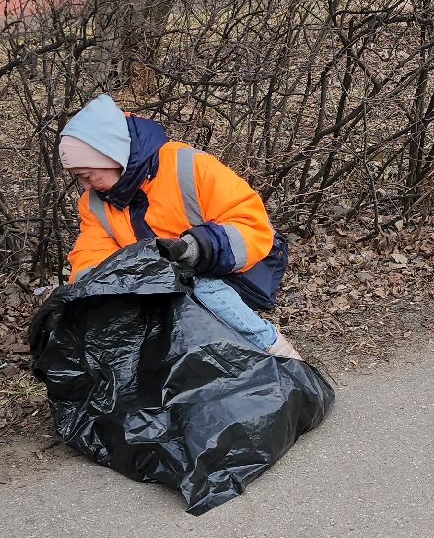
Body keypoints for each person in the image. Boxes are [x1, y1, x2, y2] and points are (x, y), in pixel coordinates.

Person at [60, 94, 302, 360]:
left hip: (240, 264)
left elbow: (252, 226)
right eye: (79, 178)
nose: (86, 186)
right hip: (169, 281)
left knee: (197, 285)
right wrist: (94, 290)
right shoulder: (94, 204)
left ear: (112, 156)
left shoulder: (189, 166)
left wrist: (198, 247)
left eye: (88, 175)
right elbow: (91, 256)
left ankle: (277, 350)